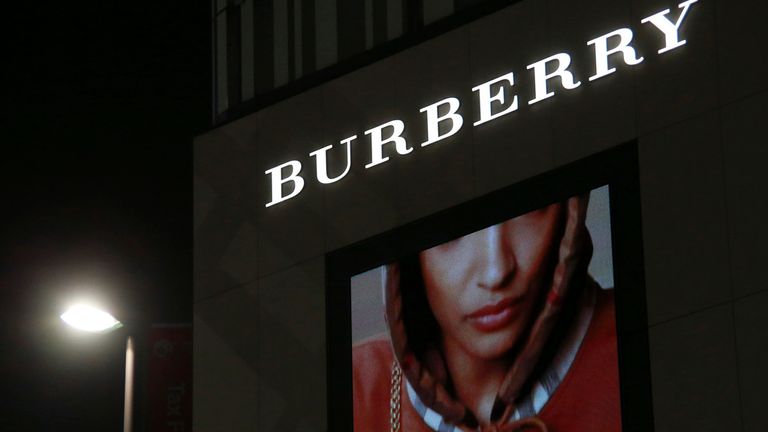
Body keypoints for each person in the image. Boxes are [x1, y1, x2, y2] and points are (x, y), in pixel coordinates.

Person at [352, 195, 621, 432]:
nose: (497, 271)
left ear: (568, 212)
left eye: (525, 208)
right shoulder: (355, 390)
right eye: (451, 225)